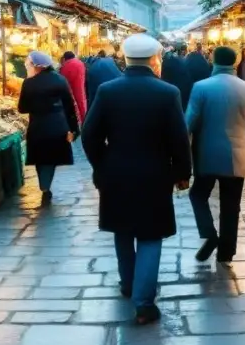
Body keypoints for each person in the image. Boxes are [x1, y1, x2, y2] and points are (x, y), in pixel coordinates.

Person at [82, 33, 191, 325]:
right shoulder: (168, 93)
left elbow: (89, 134)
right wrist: (182, 173)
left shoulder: (107, 90)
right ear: (155, 60)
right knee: (150, 235)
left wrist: (100, 164)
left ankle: (129, 284)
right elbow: (180, 140)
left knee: (123, 230)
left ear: (126, 59)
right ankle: (143, 303)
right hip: (155, 175)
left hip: (115, 174)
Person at [185, 46, 245, 263]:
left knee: (198, 195)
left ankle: (209, 234)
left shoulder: (200, 87)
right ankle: (226, 252)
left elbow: (188, 123)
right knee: (231, 204)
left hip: (206, 153)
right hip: (237, 155)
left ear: (213, 59)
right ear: (234, 61)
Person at [18, 51, 80, 206]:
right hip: (58, 124)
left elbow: (22, 108)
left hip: (38, 125)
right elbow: (69, 106)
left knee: (40, 158)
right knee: (52, 157)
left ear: (38, 66)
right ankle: (46, 185)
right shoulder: (61, 80)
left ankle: (44, 187)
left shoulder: (28, 83)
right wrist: (74, 128)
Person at [58, 50, 87, 125]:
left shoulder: (66, 65)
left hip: (71, 88)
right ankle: (84, 121)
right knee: (82, 101)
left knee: (74, 104)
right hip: (80, 86)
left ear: (64, 58)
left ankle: (78, 122)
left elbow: (62, 79)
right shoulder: (80, 63)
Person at [162, 43, 193, 110]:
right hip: (181, 92)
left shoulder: (169, 61)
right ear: (182, 51)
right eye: (184, 50)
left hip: (171, 91)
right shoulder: (185, 61)